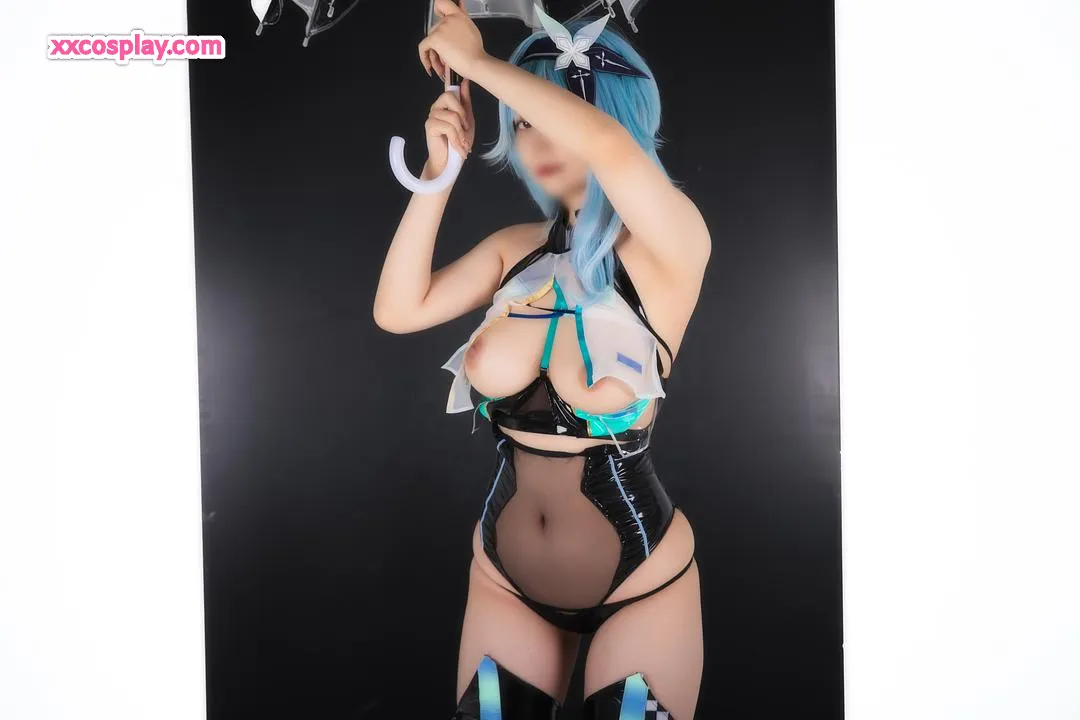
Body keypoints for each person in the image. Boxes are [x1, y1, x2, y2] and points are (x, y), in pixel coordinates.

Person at [374, 2, 711, 717]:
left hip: (640, 584)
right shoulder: (515, 250)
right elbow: (398, 310)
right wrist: (440, 173)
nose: (538, 139)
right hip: (505, 581)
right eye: (523, 122)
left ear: (612, 116)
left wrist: (476, 62)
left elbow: (610, 149)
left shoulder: (669, 246)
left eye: (557, 114)